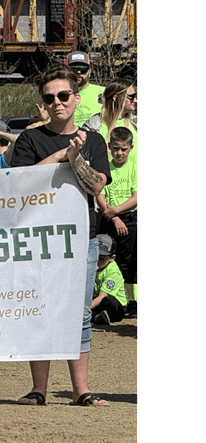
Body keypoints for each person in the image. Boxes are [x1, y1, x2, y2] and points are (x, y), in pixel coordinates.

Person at [10, 65, 111, 407]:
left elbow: (97, 184)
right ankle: (38, 389)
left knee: (80, 313)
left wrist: (77, 158)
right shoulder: (30, 139)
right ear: (43, 103)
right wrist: (59, 156)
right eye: (49, 97)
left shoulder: (94, 140)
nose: (57, 102)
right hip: (38, 238)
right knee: (39, 308)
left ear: (76, 98)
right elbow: (18, 183)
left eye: (63, 95)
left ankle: (80, 390)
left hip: (82, 237)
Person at [96, 127, 138, 318]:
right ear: (109, 147)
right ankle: (106, 298)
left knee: (129, 262)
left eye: (123, 149)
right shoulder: (105, 167)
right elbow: (100, 194)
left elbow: (136, 197)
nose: (119, 153)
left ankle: (130, 302)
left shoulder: (135, 167)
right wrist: (113, 216)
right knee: (109, 258)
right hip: (109, 219)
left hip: (130, 219)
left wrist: (117, 211)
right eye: (116, 149)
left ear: (131, 148)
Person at [82, 79, 138, 165]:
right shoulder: (94, 125)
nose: (135, 100)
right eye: (131, 96)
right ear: (115, 98)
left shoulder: (135, 123)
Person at [91, 234, 127, 325]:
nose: (96, 260)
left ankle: (95, 316)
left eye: (101, 258)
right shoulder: (90, 265)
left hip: (115, 305)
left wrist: (83, 310)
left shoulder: (113, 270)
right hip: (96, 300)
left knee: (108, 301)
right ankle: (96, 318)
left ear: (112, 258)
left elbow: (102, 296)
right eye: (95, 255)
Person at [65, 51, 104, 127]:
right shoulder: (58, 95)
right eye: (73, 69)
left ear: (89, 71)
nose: (78, 72)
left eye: (83, 69)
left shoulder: (104, 92)